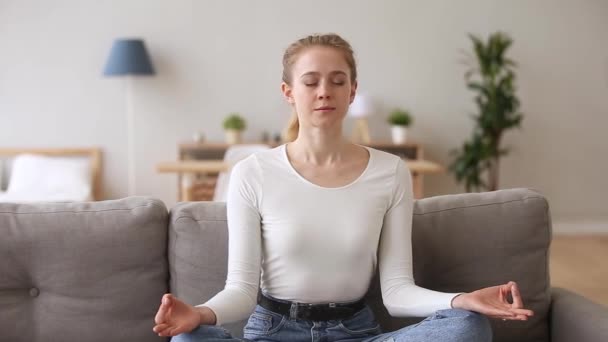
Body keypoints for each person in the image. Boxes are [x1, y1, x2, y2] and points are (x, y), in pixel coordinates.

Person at [153, 33, 534, 342]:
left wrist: (462, 300)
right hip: (274, 332)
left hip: (355, 333)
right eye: (310, 81)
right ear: (288, 92)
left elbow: (398, 292)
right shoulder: (252, 172)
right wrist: (199, 314)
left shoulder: (390, 172)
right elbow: (240, 291)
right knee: (188, 341)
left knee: (467, 326)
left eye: (338, 81)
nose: (324, 91)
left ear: (352, 91)